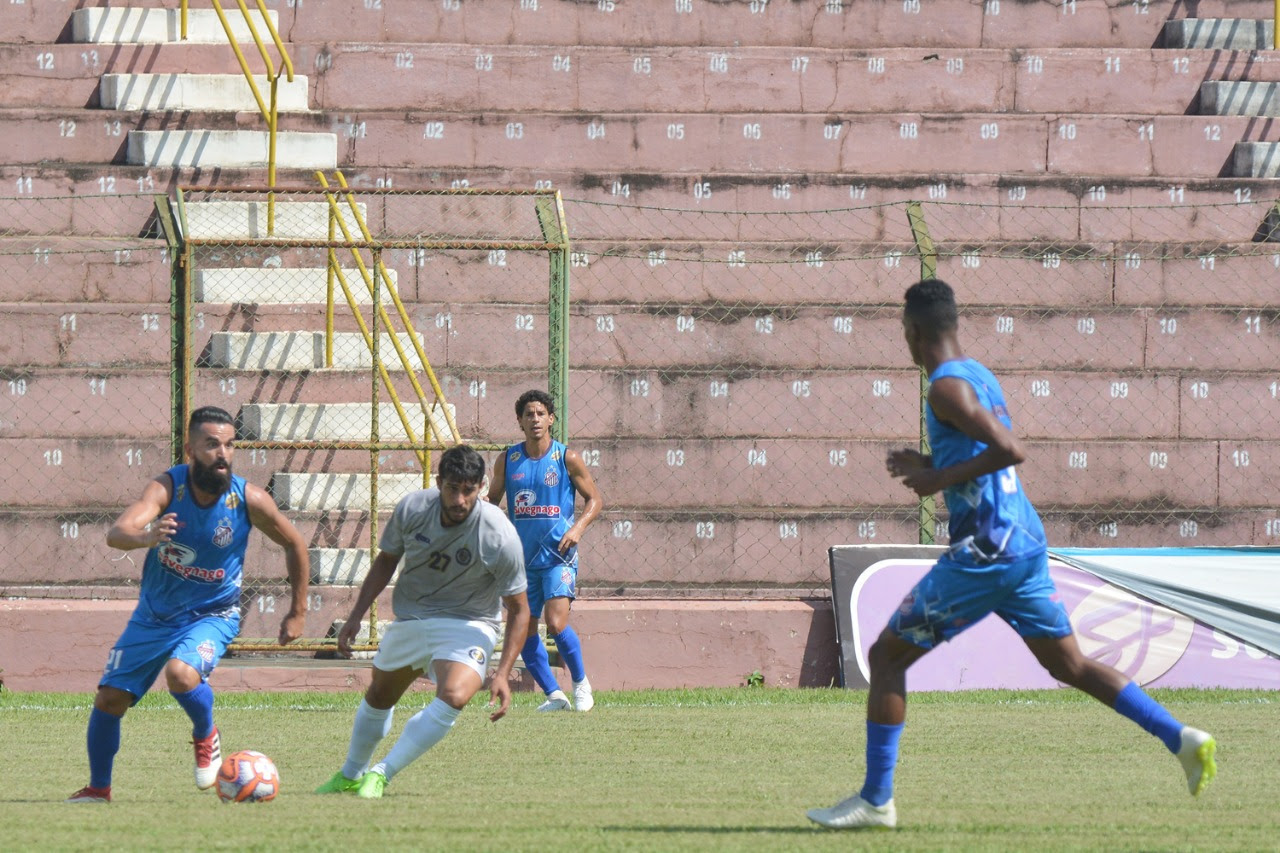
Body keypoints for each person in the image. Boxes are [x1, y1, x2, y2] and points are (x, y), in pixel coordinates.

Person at [807, 279, 1218, 830]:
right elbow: (981, 444)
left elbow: (1008, 450)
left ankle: (876, 800)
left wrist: (936, 480)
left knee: (885, 658)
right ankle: (1182, 739)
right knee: (1068, 665)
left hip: (986, 552)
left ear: (914, 331)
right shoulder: (977, 374)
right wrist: (932, 461)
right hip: (1022, 543)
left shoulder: (944, 389)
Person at [66, 405, 310, 804]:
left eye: (230, 445)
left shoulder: (248, 499)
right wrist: (148, 537)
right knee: (110, 698)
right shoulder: (167, 488)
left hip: (213, 614)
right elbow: (118, 532)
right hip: (155, 615)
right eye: (212, 444)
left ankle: (206, 733)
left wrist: (298, 612)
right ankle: (98, 789)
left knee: (181, 674)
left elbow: (295, 544)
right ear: (190, 449)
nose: (223, 454)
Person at [316, 444, 529, 798]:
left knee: (456, 695)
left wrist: (504, 672)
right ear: (438, 481)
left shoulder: (499, 535)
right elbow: (386, 561)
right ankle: (351, 773)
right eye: (452, 488)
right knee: (379, 696)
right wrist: (355, 616)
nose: (459, 499)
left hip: (470, 623)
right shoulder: (413, 508)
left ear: (481, 489)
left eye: (468, 490)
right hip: (412, 617)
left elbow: (520, 609)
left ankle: (382, 773)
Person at [486, 389, 604, 712]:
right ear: (520, 421)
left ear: (551, 419)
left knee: (555, 622)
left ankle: (581, 685)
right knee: (522, 631)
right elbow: (492, 502)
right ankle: (554, 695)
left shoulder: (567, 458)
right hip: (522, 561)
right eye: (529, 414)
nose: (535, 419)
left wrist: (577, 528)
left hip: (558, 556)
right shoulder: (508, 460)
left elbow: (595, 500)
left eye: (540, 413)